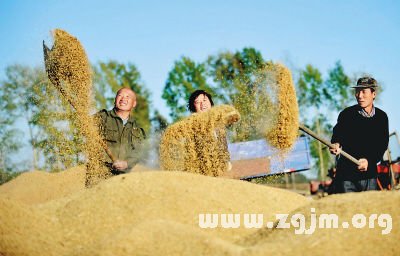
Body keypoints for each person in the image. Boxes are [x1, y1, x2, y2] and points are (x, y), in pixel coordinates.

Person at [330, 76, 389, 193]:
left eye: (364, 91)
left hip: (369, 177)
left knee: (368, 210)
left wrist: (369, 161)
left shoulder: (381, 118)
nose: (360, 95)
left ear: (373, 94)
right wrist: (335, 144)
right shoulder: (346, 114)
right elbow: (337, 135)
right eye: (357, 91)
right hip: (346, 178)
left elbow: (382, 145)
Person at [97, 87, 146, 175]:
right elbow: (84, 127)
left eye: (128, 97)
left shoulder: (137, 128)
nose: (123, 98)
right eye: (120, 96)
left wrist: (127, 163)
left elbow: (139, 152)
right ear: (115, 100)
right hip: (100, 173)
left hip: (123, 177)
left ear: (134, 103)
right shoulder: (102, 117)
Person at [187, 90, 231, 171]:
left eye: (204, 100)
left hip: (221, 169)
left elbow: (223, 148)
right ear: (193, 107)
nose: (202, 104)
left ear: (210, 102)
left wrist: (226, 162)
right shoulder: (191, 124)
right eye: (197, 102)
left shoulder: (219, 123)